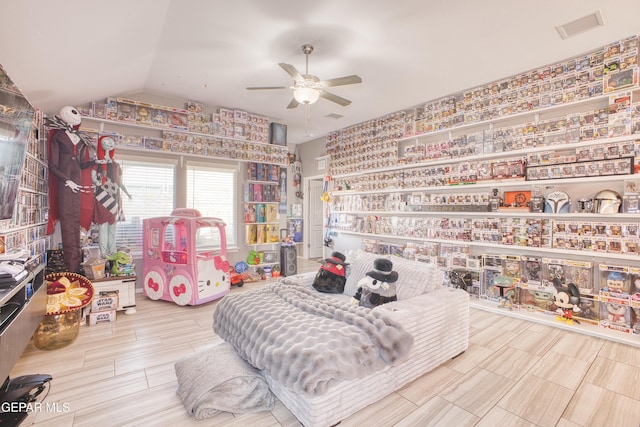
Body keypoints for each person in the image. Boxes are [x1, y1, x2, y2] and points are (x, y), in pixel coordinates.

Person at [46, 106, 95, 273]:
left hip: (77, 184)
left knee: (75, 222)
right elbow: (53, 164)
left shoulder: (79, 139)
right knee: (68, 221)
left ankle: (76, 267)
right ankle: (71, 268)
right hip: (66, 184)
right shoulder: (59, 137)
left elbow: (81, 163)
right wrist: (66, 180)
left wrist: (94, 163)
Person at [92, 135, 131, 256]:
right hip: (102, 196)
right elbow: (93, 178)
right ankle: (104, 254)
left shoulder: (116, 166)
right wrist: (98, 183)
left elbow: (119, 182)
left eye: (111, 142)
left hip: (114, 197)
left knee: (112, 226)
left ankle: (112, 253)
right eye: (106, 141)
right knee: (102, 226)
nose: (109, 143)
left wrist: (127, 193)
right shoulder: (97, 164)